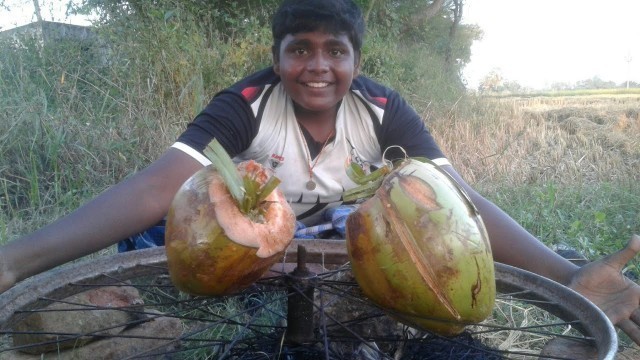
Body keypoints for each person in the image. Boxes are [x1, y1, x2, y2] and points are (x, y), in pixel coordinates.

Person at [1, 0, 639, 345]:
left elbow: (455, 198)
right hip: (254, 243)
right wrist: (16, 261)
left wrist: (568, 276)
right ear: (277, 59)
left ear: (356, 60)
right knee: (161, 234)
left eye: (335, 50)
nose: (317, 65)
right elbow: (157, 184)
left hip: (335, 236)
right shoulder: (245, 104)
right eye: (299, 48)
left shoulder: (384, 109)